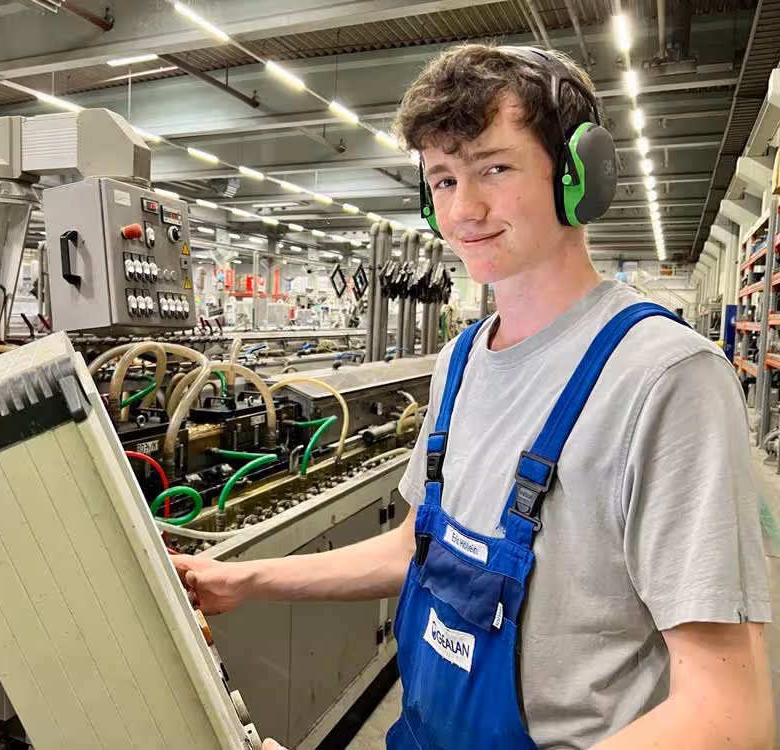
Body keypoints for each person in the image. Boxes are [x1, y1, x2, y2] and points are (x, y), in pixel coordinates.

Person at [173, 44, 775, 749]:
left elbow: (730, 712)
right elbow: (414, 548)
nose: (465, 210)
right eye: (444, 179)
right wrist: (244, 580)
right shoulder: (460, 362)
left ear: (580, 176)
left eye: (494, 168)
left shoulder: (664, 377)